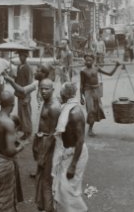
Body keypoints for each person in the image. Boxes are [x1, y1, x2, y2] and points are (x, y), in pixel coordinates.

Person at [52, 82, 88, 212]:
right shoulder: (66, 108)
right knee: (63, 188)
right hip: (68, 152)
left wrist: (73, 164)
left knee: (69, 189)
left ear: (65, 95)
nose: (58, 95)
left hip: (75, 154)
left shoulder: (75, 113)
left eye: (60, 93)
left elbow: (80, 141)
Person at [0, 91, 25, 211]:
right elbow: (10, 151)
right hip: (5, 164)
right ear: (13, 105)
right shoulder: (8, 123)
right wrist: (21, 147)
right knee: (6, 201)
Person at [33, 79, 61, 212]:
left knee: (46, 180)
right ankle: (44, 206)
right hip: (42, 142)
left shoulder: (54, 107)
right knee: (41, 178)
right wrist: (35, 144)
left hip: (49, 146)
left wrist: (43, 155)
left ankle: (49, 208)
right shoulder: (45, 103)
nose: (43, 91)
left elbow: (52, 135)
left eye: (46, 89)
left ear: (52, 90)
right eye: (41, 88)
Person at [80, 53, 121, 136]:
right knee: (90, 110)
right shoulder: (83, 71)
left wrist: (116, 66)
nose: (88, 62)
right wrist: (81, 96)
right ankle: (89, 129)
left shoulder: (96, 68)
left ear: (93, 61)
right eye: (86, 60)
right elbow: (81, 84)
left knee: (96, 110)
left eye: (90, 60)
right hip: (87, 91)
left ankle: (90, 129)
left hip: (96, 90)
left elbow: (110, 74)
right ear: (84, 61)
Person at [14, 50, 33, 140]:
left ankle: (28, 131)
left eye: (22, 56)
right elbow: (17, 79)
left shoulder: (28, 68)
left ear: (25, 57)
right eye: (19, 56)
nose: (20, 58)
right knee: (21, 113)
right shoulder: (19, 66)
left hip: (25, 94)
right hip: (19, 93)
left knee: (26, 114)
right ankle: (23, 129)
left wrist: (28, 97)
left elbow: (30, 82)